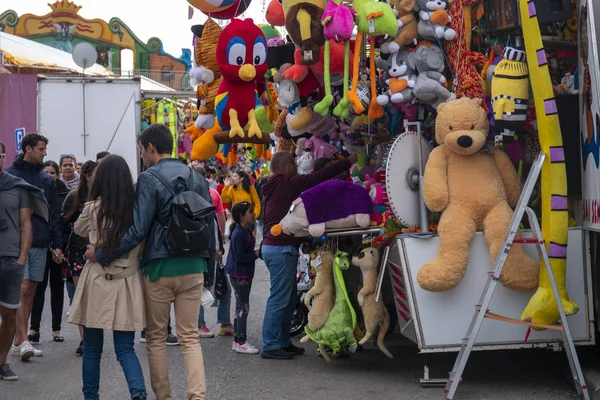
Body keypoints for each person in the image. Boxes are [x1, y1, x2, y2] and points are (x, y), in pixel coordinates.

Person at [87, 124, 214, 400]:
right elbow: (210, 226)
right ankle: (197, 396)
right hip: (195, 267)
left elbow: (137, 230)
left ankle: (164, 397)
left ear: (151, 148)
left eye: (142, 150)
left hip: (159, 268)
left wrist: (103, 253)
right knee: (189, 337)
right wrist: (211, 274)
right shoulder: (197, 176)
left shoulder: (149, 178)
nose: (142, 156)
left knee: (156, 337)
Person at [260, 151, 357, 359]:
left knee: (287, 298)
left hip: (277, 247)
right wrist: (348, 162)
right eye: (293, 163)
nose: (296, 166)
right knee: (279, 298)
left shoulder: (274, 186)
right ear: (284, 166)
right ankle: (270, 345)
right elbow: (318, 177)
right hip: (279, 248)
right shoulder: (286, 183)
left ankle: (283, 341)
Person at [68, 155, 147, 400]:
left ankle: (91, 396)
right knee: (125, 348)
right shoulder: (137, 208)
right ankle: (138, 393)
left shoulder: (93, 207)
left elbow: (78, 230)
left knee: (92, 349)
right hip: (127, 280)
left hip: (97, 281)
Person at [6, 133, 63, 360]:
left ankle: (19, 340)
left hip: (40, 241)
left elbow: (54, 215)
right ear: (28, 148)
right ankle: (23, 339)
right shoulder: (8, 174)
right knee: (19, 289)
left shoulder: (46, 180)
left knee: (30, 290)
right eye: (41, 149)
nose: (44, 153)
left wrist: (56, 244)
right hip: (14, 242)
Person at [0, 141, 38, 380]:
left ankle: (2, 361)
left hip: (10, 259)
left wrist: (22, 258)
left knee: (10, 315)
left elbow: (26, 224)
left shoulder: (17, 187)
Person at [28, 161, 70, 344]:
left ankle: (56, 328)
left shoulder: (64, 194)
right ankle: (34, 328)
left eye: (53, 172)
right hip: (42, 245)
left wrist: (59, 247)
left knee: (57, 288)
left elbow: (63, 223)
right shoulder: (37, 192)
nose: (50, 175)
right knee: (38, 288)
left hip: (59, 246)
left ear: (57, 175)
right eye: (47, 172)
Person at [62, 160, 98, 355]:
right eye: (96, 173)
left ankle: (93, 334)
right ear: (87, 175)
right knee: (81, 295)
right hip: (78, 252)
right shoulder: (74, 197)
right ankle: (85, 339)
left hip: (99, 252)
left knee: (95, 296)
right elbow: (64, 222)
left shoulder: (105, 197)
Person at [192, 165, 232, 338]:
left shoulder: (191, 196)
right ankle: (209, 324)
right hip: (208, 249)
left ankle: (218, 323)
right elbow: (219, 218)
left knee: (207, 286)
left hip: (202, 249)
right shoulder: (211, 194)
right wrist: (221, 240)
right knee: (206, 286)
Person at [226, 202, 259, 354]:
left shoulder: (244, 230)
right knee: (243, 307)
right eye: (250, 212)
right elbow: (240, 257)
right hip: (240, 274)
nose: (253, 214)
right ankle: (241, 341)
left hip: (242, 273)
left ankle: (238, 341)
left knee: (240, 307)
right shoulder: (239, 233)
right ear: (242, 216)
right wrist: (256, 255)